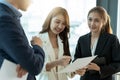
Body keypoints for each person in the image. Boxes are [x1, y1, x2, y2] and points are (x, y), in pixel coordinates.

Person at [0, 0, 45, 79]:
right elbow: (34, 66)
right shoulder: (5, 19)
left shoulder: (6, 15)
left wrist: (24, 62)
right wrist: (38, 46)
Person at [74, 6, 120, 80]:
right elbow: (76, 60)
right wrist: (78, 69)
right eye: (90, 19)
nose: (92, 23)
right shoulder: (82, 40)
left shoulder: (112, 39)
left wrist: (99, 69)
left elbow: (118, 64)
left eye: (96, 20)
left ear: (103, 22)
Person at [31, 7, 71, 80]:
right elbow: (37, 66)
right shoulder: (38, 39)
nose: (60, 26)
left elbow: (65, 67)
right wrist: (58, 62)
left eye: (63, 24)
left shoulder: (62, 40)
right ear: (50, 20)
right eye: (57, 22)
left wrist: (76, 71)